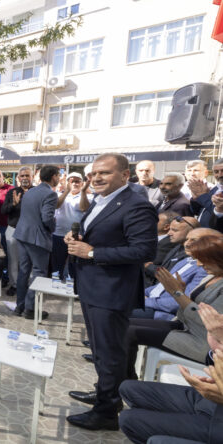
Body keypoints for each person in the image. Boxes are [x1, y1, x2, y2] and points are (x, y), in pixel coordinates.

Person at [64, 153, 158, 431]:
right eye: (93, 174)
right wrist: (77, 238)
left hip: (111, 291)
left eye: (104, 173)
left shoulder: (136, 205)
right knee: (101, 350)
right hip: (93, 286)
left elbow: (143, 250)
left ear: (124, 175)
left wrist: (92, 252)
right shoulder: (100, 200)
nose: (96, 178)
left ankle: (106, 411)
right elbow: (99, 234)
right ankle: (104, 391)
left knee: (110, 352)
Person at [118, 303, 223, 444]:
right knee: (128, 388)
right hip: (209, 401)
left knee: (138, 427)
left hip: (217, 425)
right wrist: (217, 345)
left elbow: (175, 307)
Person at [122, 234, 223, 379]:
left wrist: (176, 293)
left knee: (129, 333)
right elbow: (193, 307)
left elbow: (207, 323)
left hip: (201, 342)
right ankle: (122, 378)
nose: (199, 264)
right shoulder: (213, 275)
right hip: (184, 326)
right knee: (123, 325)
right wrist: (180, 292)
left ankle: (121, 384)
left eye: (203, 259)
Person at [13, 166, 59, 319]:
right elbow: (47, 218)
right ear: (53, 176)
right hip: (37, 238)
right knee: (38, 273)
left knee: (24, 271)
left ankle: (20, 306)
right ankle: (30, 309)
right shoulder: (50, 194)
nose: (59, 178)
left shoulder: (30, 191)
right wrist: (53, 225)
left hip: (22, 234)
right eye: (58, 175)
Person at [0, 167, 34, 296]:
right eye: (22, 176)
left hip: (31, 231)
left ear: (32, 177)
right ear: (18, 178)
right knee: (13, 260)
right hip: (13, 230)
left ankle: (29, 286)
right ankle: (14, 284)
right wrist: (14, 204)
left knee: (29, 260)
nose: (25, 178)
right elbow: (4, 211)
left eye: (27, 175)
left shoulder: (36, 192)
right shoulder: (12, 192)